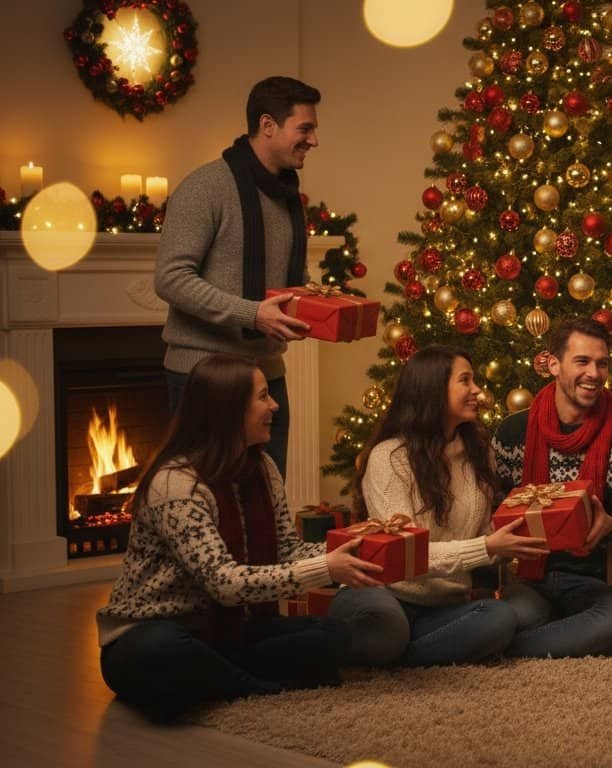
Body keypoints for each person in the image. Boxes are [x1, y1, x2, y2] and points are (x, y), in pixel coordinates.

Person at [96, 354, 382, 721]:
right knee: (163, 653)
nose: (274, 405)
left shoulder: (262, 468)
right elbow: (225, 583)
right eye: (263, 396)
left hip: (232, 629)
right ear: (229, 410)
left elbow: (287, 551)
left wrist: (348, 551)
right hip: (155, 631)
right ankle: (259, 689)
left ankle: (223, 678)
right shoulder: (176, 483)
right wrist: (326, 567)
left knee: (332, 634)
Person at [327, 347, 549, 666]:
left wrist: (517, 540)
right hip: (383, 593)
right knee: (387, 628)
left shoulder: (478, 454)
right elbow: (406, 554)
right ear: (432, 389)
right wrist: (487, 547)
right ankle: (412, 649)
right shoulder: (390, 458)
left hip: (444, 604)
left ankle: (402, 658)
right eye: (465, 380)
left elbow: (485, 535)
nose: (477, 390)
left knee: (500, 616)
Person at [155, 76, 322, 476]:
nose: (314, 140)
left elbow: (287, 279)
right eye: (305, 128)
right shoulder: (205, 188)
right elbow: (170, 278)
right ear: (268, 125)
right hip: (205, 379)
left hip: (267, 375)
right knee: (209, 503)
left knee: (267, 500)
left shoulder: (285, 195)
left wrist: (321, 304)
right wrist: (252, 314)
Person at [490, 318, 612, 657]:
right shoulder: (510, 433)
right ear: (553, 364)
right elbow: (494, 512)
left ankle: (506, 650)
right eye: (582, 361)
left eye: (602, 363)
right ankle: (530, 633)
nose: (594, 373)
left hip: (593, 577)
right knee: (513, 616)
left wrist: (611, 527)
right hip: (530, 573)